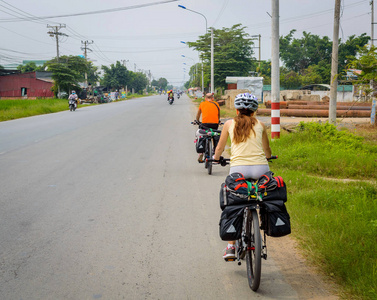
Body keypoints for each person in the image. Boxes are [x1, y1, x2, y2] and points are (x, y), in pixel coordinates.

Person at [213, 92, 272, 260]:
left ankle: (231, 247)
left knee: (234, 203)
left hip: (238, 170)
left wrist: (216, 159)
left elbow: (219, 149)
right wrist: (267, 158)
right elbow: (267, 150)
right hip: (261, 168)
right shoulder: (260, 124)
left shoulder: (229, 124)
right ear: (254, 111)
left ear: (237, 110)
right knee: (262, 196)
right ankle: (261, 222)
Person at [195, 93, 220, 163]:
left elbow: (198, 114)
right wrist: (218, 121)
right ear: (212, 98)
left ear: (205, 98)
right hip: (215, 125)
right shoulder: (216, 104)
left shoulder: (202, 104)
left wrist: (197, 121)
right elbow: (218, 115)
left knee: (202, 135)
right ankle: (216, 152)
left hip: (205, 125)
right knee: (215, 136)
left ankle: (201, 153)